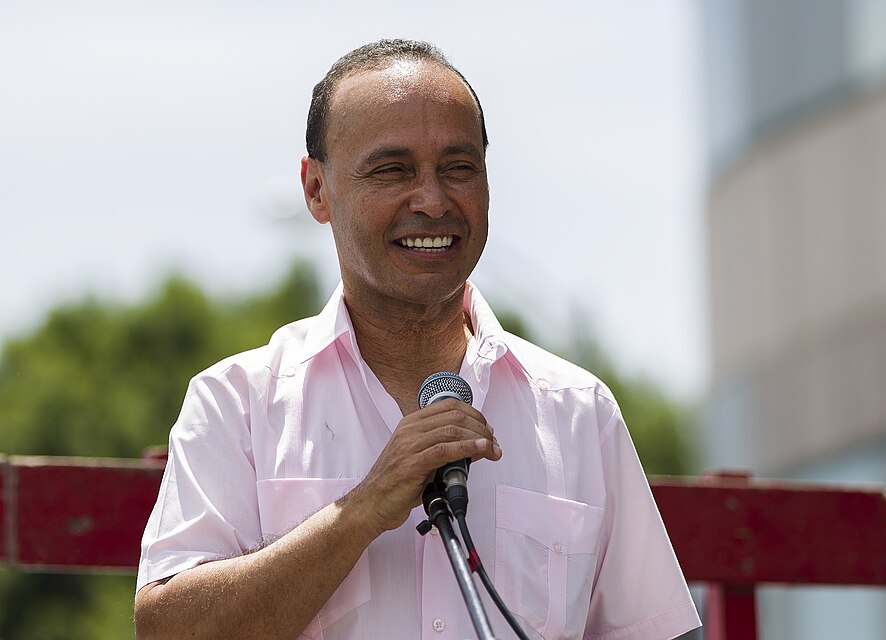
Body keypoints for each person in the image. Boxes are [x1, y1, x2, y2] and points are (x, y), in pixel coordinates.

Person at [133, 39, 701, 640]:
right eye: (392, 170)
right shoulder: (237, 403)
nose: (432, 200)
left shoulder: (578, 411)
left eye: (459, 168)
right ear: (316, 190)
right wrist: (361, 510)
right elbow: (167, 630)